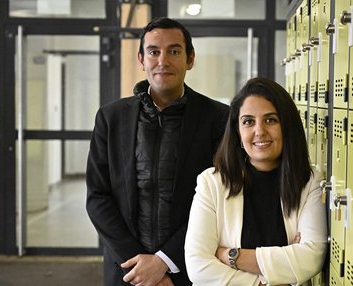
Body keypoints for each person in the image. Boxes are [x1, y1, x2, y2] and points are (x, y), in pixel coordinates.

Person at [86, 17, 229, 286]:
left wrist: (164, 261)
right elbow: (97, 197)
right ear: (141, 59)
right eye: (154, 51)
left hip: (189, 268)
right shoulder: (111, 118)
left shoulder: (218, 119)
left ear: (190, 59)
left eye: (174, 51)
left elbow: (221, 199)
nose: (163, 60)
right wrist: (140, 264)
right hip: (127, 270)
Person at [184, 77, 327, 286]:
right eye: (248, 121)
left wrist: (231, 256)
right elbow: (198, 267)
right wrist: (269, 278)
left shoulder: (309, 182)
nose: (259, 131)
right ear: (237, 131)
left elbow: (311, 257)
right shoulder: (212, 183)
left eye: (270, 120)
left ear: (287, 126)